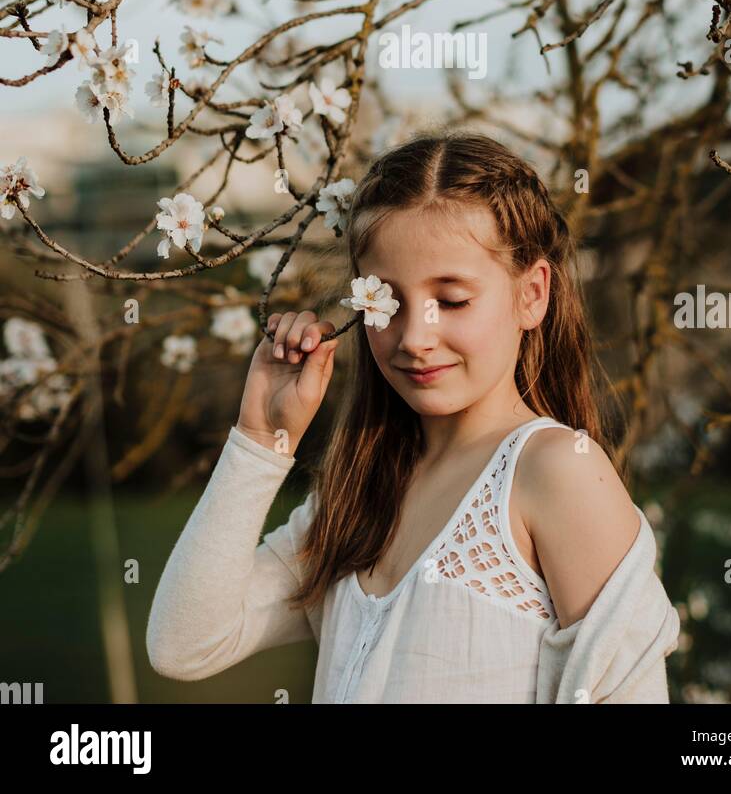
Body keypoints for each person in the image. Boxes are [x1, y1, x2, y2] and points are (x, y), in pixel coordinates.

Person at [146, 129, 680, 703]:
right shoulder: (358, 494)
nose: (416, 337)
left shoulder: (555, 472)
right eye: (387, 302)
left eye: (451, 300)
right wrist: (260, 437)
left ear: (532, 294)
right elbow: (185, 644)